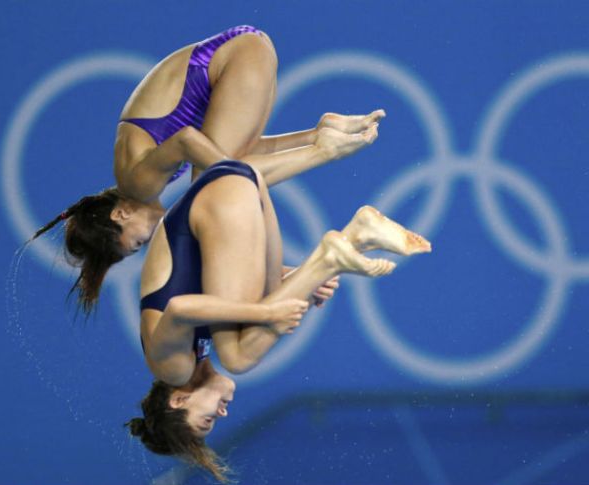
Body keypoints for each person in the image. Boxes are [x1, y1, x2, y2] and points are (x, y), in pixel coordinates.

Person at [30, 25, 385, 314]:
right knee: (218, 183)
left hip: (236, 58)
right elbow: (235, 150)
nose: (148, 240)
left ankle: (325, 152)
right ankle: (325, 134)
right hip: (244, 52)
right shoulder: (140, 176)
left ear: (121, 213)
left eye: (137, 241)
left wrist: (235, 182)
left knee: (212, 188)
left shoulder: (136, 183)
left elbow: (187, 139)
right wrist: (308, 137)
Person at [125, 158, 431, 481]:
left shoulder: (170, 367)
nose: (223, 412)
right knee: (254, 320)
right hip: (243, 183)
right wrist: (298, 280)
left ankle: (330, 258)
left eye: (207, 420)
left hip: (222, 196)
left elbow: (179, 308)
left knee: (238, 356)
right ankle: (355, 237)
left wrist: (266, 313)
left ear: (179, 399)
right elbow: (220, 271)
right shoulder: (196, 354)